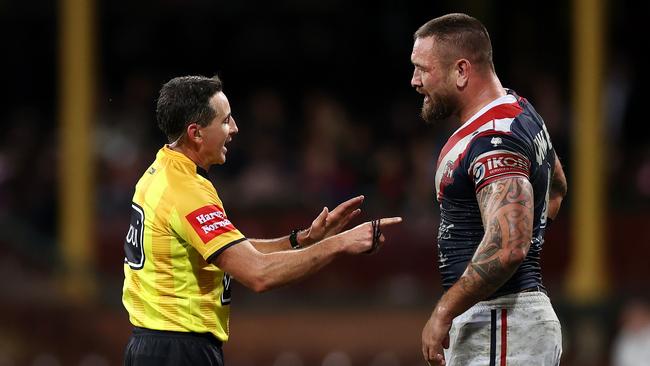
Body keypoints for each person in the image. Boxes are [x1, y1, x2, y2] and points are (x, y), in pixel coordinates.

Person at [122, 75, 402, 365]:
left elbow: (234, 253)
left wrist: (304, 239)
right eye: (225, 120)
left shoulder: (161, 172)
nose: (234, 128)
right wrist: (340, 243)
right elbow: (258, 273)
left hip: (155, 346)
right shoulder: (186, 191)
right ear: (196, 133)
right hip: (178, 351)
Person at [410, 14, 567, 366]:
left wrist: (444, 311)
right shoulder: (518, 111)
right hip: (507, 324)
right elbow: (556, 187)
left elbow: (510, 246)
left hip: (501, 322)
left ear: (461, 70)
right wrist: (532, 232)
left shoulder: (494, 140)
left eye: (423, 69)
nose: (415, 81)